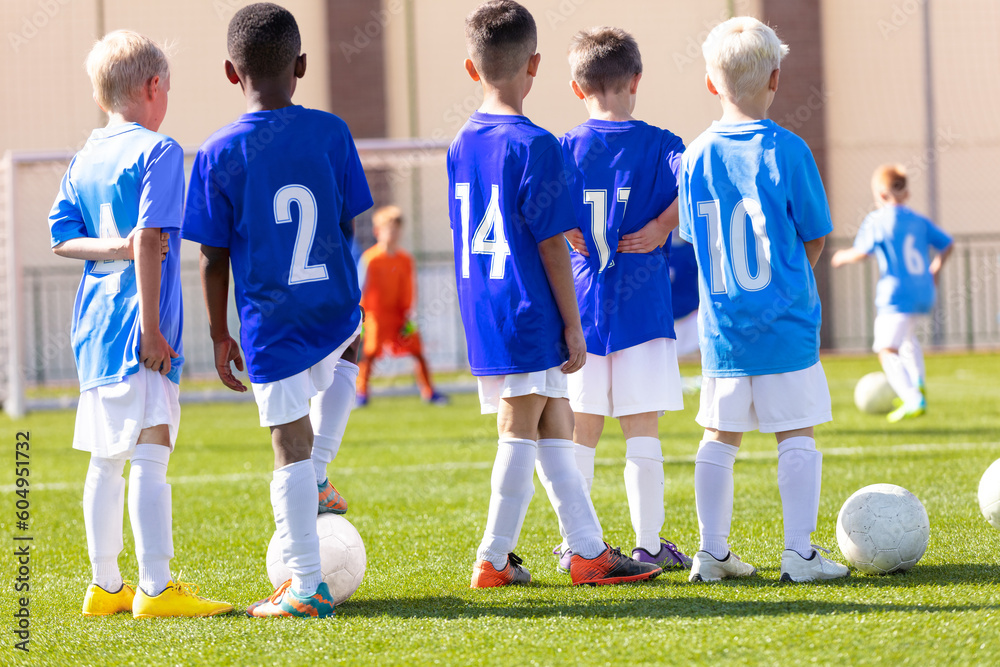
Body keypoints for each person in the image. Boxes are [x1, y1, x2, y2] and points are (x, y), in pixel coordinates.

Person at [450, 0, 662, 588]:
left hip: (486, 304)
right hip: (528, 308)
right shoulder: (536, 144)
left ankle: (588, 550)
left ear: (472, 68)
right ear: (536, 64)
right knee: (521, 428)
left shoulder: (460, 144)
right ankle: (492, 558)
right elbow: (551, 247)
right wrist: (573, 324)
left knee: (555, 424)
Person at [182, 2, 372, 618]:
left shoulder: (215, 153)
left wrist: (218, 334)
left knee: (286, 442)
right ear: (302, 65)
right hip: (336, 305)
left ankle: (308, 585)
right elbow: (346, 220)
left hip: (274, 324)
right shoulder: (332, 132)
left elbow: (212, 257)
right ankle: (320, 474)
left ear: (231, 74)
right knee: (354, 346)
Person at [49, 30, 232, 618]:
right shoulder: (158, 150)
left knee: (105, 459)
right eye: (168, 88)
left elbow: (62, 240)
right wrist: (154, 329)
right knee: (152, 450)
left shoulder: (84, 157)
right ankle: (156, 588)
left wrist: (111, 247)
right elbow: (149, 239)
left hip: (94, 329)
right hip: (139, 328)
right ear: (154, 86)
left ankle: (104, 587)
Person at [678, 17, 849, 583]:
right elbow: (815, 233)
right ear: (775, 78)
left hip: (723, 328)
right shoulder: (790, 149)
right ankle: (798, 554)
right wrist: (789, 286)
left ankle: (711, 552)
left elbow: (694, 237)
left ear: (709, 83)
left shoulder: (695, 155)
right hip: (786, 325)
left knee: (718, 437)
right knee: (795, 432)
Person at [536, 26, 690, 574]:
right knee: (641, 427)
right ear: (637, 79)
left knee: (582, 429)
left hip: (578, 308)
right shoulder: (663, 143)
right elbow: (695, 188)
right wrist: (662, 223)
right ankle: (648, 542)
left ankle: (576, 543)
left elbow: (538, 214)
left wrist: (565, 230)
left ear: (579, 89)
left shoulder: (561, 146)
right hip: (643, 309)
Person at [831, 164, 953, 422]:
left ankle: (912, 398)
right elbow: (947, 244)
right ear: (906, 194)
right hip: (924, 291)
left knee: (887, 349)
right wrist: (936, 269)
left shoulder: (877, 220)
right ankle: (918, 383)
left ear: (881, 196)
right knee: (908, 338)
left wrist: (841, 257)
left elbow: (863, 252)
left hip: (896, 294)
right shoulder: (919, 220)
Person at [356, 205, 447, 406]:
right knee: (369, 354)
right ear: (377, 231)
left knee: (417, 351)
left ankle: (429, 391)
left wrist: (409, 314)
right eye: (390, 229)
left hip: (401, 315)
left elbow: (409, 289)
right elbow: (360, 288)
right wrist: (360, 316)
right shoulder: (370, 259)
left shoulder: (405, 259)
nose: (394, 233)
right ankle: (361, 393)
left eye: (397, 229)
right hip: (376, 316)